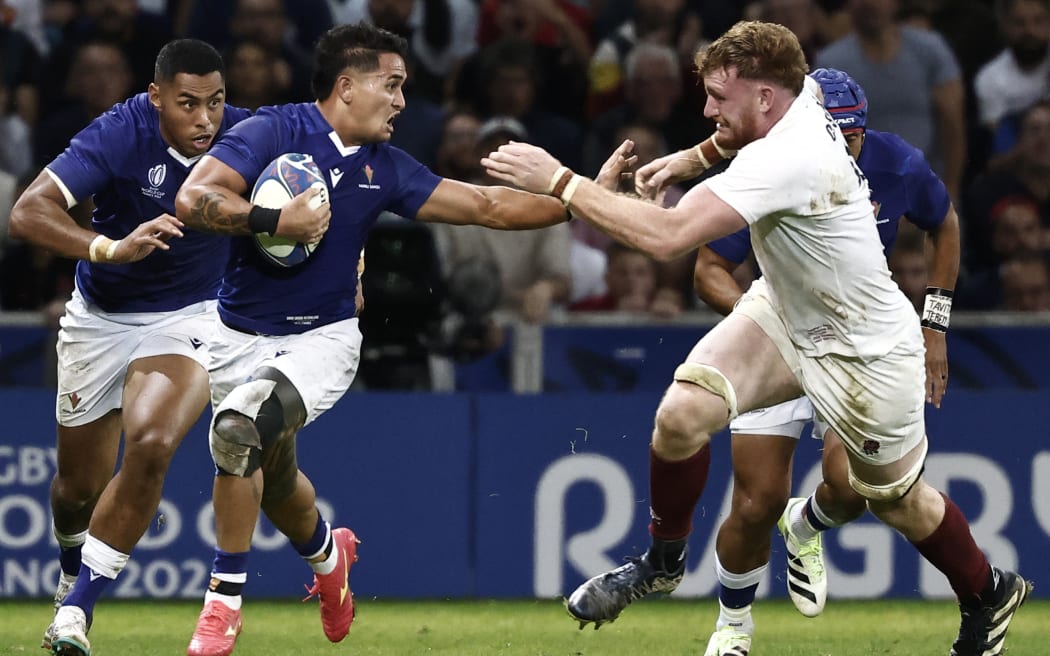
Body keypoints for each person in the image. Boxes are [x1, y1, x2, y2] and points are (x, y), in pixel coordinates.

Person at [482, 21, 1032, 656]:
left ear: (767, 99)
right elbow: (735, 134)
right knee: (682, 415)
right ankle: (663, 562)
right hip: (785, 309)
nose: (709, 109)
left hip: (866, 349)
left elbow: (666, 238)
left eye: (719, 96)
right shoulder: (804, 103)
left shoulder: (788, 159)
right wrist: (695, 155)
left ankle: (987, 591)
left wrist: (561, 180)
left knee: (897, 502)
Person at [173, 22, 576, 656]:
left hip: (322, 340)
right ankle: (331, 560)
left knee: (237, 430)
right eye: (391, 85)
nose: (401, 101)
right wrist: (277, 220)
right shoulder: (271, 131)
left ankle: (221, 605)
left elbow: (488, 207)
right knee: (274, 481)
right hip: (236, 337)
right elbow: (194, 197)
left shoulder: (384, 168)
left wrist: (586, 199)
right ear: (347, 86)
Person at [688, 67, 962, 656]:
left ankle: (805, 524)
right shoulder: (769, 169)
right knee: (755, 501)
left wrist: (934, 324)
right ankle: (733, 626)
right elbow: (708, 269)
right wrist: (771, 331)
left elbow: (944, 222)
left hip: (856, 344)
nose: (846, 147)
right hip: (785, 334)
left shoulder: (897, 163)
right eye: (834, 133)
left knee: (850, 487)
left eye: (855, 135)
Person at [6, 39, 253, 656]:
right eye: (188, 104)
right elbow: (27, 212)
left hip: (194, 314)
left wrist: (351, 263)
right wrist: (109, 247)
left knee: (151, 441)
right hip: (101, 318)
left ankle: (75, 611)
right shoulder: (119, 131)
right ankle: (71, 558)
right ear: (156, 98)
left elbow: (327, 186)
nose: (205, 119)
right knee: (75, 491)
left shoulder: (248, 136)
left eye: (216, 102)